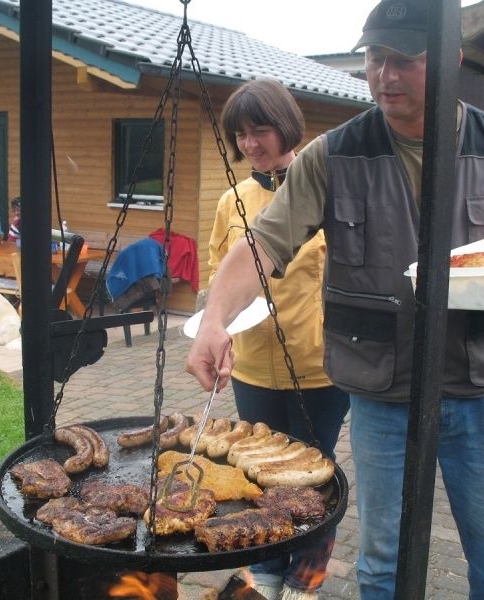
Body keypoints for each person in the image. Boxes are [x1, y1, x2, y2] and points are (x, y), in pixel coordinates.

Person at [186, 1, 484, 598]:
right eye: (374, 59)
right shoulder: (334, 155)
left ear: (451, 59)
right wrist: (213, 319)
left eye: (404, 60)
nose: (385, 75)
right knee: (381, 564)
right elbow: (263, 244)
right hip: (384, 395)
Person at [209, 78, 350, 600]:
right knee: (256, 476)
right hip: (251, 367)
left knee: (312, 478)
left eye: (260, 130)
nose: (250, 144)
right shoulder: (233, 199)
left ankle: (303, 580)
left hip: (319, 368)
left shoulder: (325, 194)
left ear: (287, 127)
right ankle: (265, 575)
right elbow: (216, 275)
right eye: (241, 135)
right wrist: (215, 331)